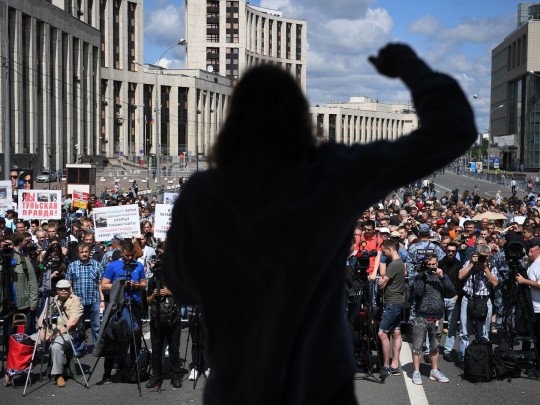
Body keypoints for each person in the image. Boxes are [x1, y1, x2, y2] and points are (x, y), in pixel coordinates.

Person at [163, 43, 477, 404]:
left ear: (235, 120)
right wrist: (412, 68)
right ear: (300, 116)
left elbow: (182, 285)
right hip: (320, 383)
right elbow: (453, 130)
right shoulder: (331, 174)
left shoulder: (203, 193)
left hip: (240, 383)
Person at [410, 254, 454, 385]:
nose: (431, 267)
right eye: (428, 265)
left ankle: (434, 371)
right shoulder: (419, 277)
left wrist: (443, 276)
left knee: (435, 346)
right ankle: (416, 372)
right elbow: (417, 293)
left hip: (437, 316)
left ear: (437, 263)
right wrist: (422, 276)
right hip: (421, 316)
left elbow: (451, 291)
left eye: (433, 264)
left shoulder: (441, 276)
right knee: (417, 346)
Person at [145, 243, 182, 389]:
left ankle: (175, 376)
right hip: (156, 318)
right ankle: (156, 376)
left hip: (173, 318)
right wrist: (153, 294)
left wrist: (169, 292)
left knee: (174, 348)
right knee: (156, 349)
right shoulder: (152, 280)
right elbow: (147, 301)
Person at [34, 279, 83, 388]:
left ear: (70, 289)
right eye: (61, 289)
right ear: (57, 290)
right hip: (49, 331)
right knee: (27, 342)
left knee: (56, 346)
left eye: (66, 288)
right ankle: (21, 371)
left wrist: (55, 335)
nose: (64, 291)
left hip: (67, 334)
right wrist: (42, 330)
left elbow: (72, 322)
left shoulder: (75, 300)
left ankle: (58, 374)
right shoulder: (52, 300)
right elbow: (41, 317)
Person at [65, 242, 105, 345]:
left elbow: (100, 284)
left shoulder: (97, 265)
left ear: (90, 252)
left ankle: (97, 348)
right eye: (81, 252)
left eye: (86, 252)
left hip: (94, 300)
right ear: (78, 254)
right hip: (78, 301)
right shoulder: (72, 266)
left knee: (96, 326)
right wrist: (72, 299)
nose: (84, 254)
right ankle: (79, 348)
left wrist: (102, 300)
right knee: (78, 327)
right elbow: (69, 284)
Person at [377, 239, 406, 380]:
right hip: (398, 301)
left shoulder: (393, 265)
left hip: (392, 303)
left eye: (384, 251)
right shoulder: (400, 263)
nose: (383, 253)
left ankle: (387, 366)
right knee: (396, 331)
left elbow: (382, 283)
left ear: (390, 249)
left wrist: (378, 280)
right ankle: (394, 365)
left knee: (382, 333)